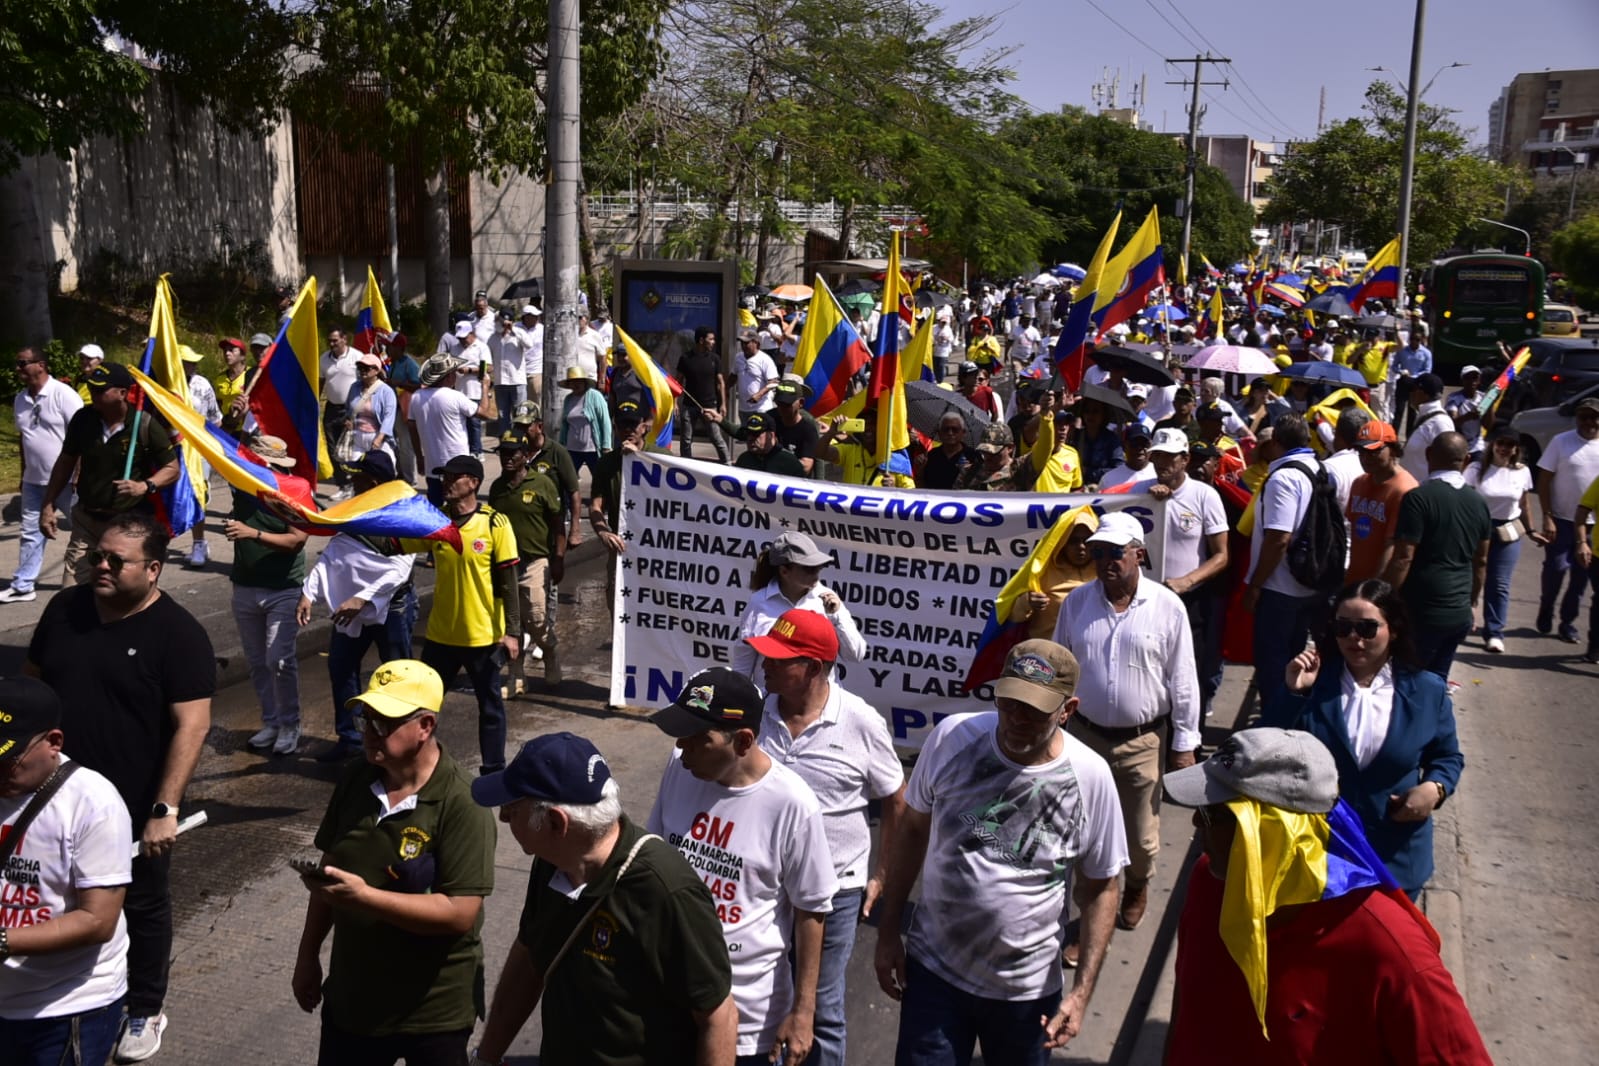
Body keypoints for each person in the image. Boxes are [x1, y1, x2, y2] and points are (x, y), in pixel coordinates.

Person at [1162, 728, 1491, 1065]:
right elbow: (1188, 999)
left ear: (1273, 831)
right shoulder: (1209, 879)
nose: (1195, 823)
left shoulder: (1390, 948)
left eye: (1211, 814)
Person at [873, 640, 1127, 1063]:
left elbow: (1101, 888)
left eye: (1035, 710)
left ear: (1068, 710)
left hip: (1025, 996)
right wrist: (887, 933)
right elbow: (913, 830)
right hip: (934, 977)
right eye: (1009, 703)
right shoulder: (952, 739)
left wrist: (1081, 994)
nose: (1016, 719)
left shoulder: (1090, 778)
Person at [26, 512, 214, 1062]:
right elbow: (31, 691)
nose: (99, 565)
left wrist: (165, 806)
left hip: (132, 803)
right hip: (50, 797)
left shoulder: (179, 636)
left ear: (154, 570)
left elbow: (193, 725)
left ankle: (144, 1006)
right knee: (51, 890)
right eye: (97, 556)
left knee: (142, 903)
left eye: (115, 560)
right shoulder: (64, 609)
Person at [469, 733, 737, 1066]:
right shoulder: (551, 862)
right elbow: (529, 956)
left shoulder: (665, 889)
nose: (503, 818)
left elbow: (718, 1017)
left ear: (555, 821)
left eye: (511, 808)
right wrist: (486, 1057)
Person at [291, 660, 497, 1066]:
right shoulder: (355, 780)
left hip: (433, 1015)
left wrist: (365, 898)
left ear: (426, 726)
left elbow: (459, 912)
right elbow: (328, 874)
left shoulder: (462, 803)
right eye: (365, 718)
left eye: (384, 722)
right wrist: (307, 956)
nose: (368, 732)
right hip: (354, 1005)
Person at [647, 667, 838, 1066]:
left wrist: (803, 1014)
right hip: (668, 1003)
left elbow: (811, 910)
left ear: (744, 741)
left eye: (700, 739)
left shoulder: (792, 804)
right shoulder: (676, 768)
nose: (682, 749)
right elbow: (653, 866)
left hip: (750, 1025)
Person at [746, 610, 906, 1066]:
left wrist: (882, 875)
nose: (766, 665)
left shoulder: (860, 722)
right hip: (764, 888)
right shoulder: (755, 715)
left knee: (821, 1006)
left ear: (814, 668)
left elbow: (897, 798)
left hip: (835, 891)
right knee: (767, 994)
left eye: (780, 659)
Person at [1261, 579, 1464, 897]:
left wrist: (1435, 788)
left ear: (1392, 630)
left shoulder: (1427, 690)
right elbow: (1267, 747)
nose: (1354, 638)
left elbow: (1447, 757)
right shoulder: (1313, 685)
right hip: (1319, 857)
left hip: (1395, 861)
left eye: (1367, 628)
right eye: (1344, 628)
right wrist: (1293, 694)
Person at [1051, 511, 1198, 939]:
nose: (1105, 561)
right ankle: (1089, 921)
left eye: (1115, 552)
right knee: (1086, 834)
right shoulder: (1077, 603)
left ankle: (1135, 887)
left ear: (1139, 554)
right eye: (1097, 552)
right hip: (1085, 738)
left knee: (1139, 838)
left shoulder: (1167, 606)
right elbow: (1060, 665)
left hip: (1142, 743)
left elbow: (1183, 678)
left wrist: (1185, 743)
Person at [0, 677, 132, 1066]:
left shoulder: (94, 804)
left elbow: (96, 921)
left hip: (65, 1005)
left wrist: (3, 940)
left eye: (9, 757)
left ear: (53, 742)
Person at [298, 450, 419, 762]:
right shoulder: (354, 510)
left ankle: (400, 741)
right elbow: (334, 552)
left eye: (359, 475)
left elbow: (399, 570)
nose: (352, 480)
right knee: (341, 667)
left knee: (396, 676)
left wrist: (362, 599)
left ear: (375, 481)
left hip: (390, 607)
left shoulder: (402, 514)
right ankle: (351, 739)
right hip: (351, 612)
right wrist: (309, 593)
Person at [407, 455, 521, 774]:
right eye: (444, 477)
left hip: (483, 636)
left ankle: (494, 770)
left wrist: (512, 631)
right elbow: (396, 542)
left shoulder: (494, 523)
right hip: (441, 636)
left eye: (453, 477)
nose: (446, 482)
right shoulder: (438, 521)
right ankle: (421, 764)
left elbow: (510, 583)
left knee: (490, 708)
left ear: (472, 483)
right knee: (423, 705)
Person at [39, 363, 181, 586]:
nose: (92, 394)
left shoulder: (143, 425)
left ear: (122, 393)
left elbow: (172, 469)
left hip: (126, 525)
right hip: (86, 520)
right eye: (91, 388)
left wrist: (145, 486)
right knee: (71, 591)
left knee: (125, 590)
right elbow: (65, 462)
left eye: (100, 390)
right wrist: (48, 505)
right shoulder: (83, 420)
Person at [223, 435, 311, 756]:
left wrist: (252, 534)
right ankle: (271, 722)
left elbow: (297, 539)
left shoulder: (296, 489)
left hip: (283, 588)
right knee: (258, 662)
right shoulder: (242, 486)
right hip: (245, 585)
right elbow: (215, 443)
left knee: (279, 660)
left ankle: (291, 724)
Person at [1384, 432, 1492, 681]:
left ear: (1428, 454)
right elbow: (1482, 560)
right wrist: (1471, 601)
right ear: (1466, 459)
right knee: (1435, 683)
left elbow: (1403, 558)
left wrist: (1383, 598)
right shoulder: (1478, 502)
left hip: (1422, 612)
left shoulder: (1418, 499)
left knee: (1405, 681)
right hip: (1458, 614)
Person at [1243, 414, 1327, 710]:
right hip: (1310, 584)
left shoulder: (1284, 477)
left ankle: (1274, 727)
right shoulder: (1319, 468)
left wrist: (1255, 585)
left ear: (1275, 443)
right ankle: (1290, 720)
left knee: (1273, 666)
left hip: (1280, 589)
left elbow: (1279, 539)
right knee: (1295, 663)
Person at [1147, 431, 1230, 719]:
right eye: (1157, 455)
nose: (1162, 462)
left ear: (1185, 459)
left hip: (1191, 602)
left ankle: (1189, 743)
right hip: (1147, 602)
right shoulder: (1141, 493)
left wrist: (1187, 581)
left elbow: (1221, 555)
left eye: (1169, 456)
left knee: (1190, 676)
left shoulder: (1204, 496)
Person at [488, 428, 566, 692]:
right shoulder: (497, 489)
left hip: (536, 561)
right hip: (505, 565)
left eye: (513, 453)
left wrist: (558, 559)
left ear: (524, 455)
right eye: (503, 453)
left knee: (536, 618)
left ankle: (550, 651)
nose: (507, 458)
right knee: (510, 623)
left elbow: (558, 526)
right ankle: (516, 676)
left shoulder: (542, 484)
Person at [730, 531, 867, 680]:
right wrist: (739, 698)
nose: (816, 572)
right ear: (784, 571)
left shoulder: (829, 602)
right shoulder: (759, 602)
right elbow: (743, 660)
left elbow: (855, 655)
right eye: (808, 568)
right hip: (769, 698)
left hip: (818, 701)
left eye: (819, 566)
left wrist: (836, 616)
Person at [3, 348, 81, 604]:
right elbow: (26, 439)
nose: (19, 368)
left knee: (86, 528)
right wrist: (25, 473)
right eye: (17, 363)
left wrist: (79, 474)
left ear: (41, 365)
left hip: (67, 481)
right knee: (30, 532)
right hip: (34, 481)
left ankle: (101, 575)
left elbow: (82, 436)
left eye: (23, 363)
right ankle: (23, 585)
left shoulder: (63, 395)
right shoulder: (20, 400)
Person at [1466, 427, 1541, 653]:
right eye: (1501, 443)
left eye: (1510, 445)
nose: (1504, 448)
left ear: (1516, 449)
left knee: (1499, 583)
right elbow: (1464, 498)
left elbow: (1524, 504)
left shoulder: (1522, 471)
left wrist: (1531, 530)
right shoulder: (1476, 468)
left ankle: (1494, 632)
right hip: (1477, 529)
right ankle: (1465, 617)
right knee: (1470, 578)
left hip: (1507, 531)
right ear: (1492, 444)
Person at [1534, 395, 1599, 642]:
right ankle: (1546, 605)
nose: (1589, 422)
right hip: (1561, 520)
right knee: (1556, 568)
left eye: (1594, 417)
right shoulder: (1561, 442)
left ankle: (1567, 622)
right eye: (1584, 417)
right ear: (1577, 418)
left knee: (1580, 578)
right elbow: (1544, 481)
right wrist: (1547, 516)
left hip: (1593, 525)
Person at [410, 355, 493, 504]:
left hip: (432, 466)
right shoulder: (455, 397)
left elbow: (412, 429)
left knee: (437, 513)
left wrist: (419, 457)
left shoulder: (416, 397)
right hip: (458, 467)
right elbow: (485, 413)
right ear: (448, 376)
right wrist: (485, 387)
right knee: (461, 508)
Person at [1345, 420, 1418, 584]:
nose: (1365, 458)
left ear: (1392, 449)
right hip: (1353, 581)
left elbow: (1395, 549)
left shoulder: (1405, 490)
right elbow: (1351, 531)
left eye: (1374, 451)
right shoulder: (1359, 483)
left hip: (1380, 588)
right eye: (1361, 452)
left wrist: (1375, 590)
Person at [677, 326, 732, 463]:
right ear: (701, 340)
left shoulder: (715, 359)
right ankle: (686, 465)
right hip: (689, 406)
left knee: (716, 438)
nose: (713, 342)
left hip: (710, 406)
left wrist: (723, 404)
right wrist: (674, 403)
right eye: (711, 339)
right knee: (686, 440)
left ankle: (728, 464)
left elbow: (720, 383)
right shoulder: (685, 358)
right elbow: (677, 382)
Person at [320, 328, 362, 493]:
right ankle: (343, 484)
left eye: (335, 340)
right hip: (331, 407)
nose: (332, 344)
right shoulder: (324, 359)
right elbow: (320, 382)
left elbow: (365, 381)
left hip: (351, 407)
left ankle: (356, 481)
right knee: (333, 448)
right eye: (330, 341)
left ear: (344, 339)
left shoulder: (357, 356)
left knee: (350, 447)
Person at [341, 351, 397, 461]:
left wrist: (379, 438)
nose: (362, 371)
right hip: (357, 436)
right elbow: (348, 408)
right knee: (357, 471)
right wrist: (348, 420)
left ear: (376, 370)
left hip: (377, 436)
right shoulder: (354, 387)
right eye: (360, 367)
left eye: (366, 368)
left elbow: (388, 418)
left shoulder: (386, 391)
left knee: (382, 470)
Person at [559, 365, 611, 479]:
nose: (576, 384)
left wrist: (606, 445)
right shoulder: (568, 399)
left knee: (599, 480)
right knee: (568, 479)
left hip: (592, 449)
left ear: (584, 382)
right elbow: (565, 425)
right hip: (572, 449)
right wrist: (561, 445)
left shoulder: (595, 396)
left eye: (579, 381)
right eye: (573, 382)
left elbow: (605, 421)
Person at [1399, 373, 1450, 482]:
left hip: (1423, 491)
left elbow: (1446, 464)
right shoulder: (1424, 415)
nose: (1410, 394)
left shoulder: (1440, 423)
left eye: (1412, 390)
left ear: (1422, 394)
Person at [770, 376, 820, 475]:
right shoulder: (770, 418)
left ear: (800, 403)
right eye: (779, 403)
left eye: (787, 404)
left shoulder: (808, 425)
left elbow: (809, 464)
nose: (782, 408)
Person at [488, 311, 526, 438]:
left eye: (500, 321)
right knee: (503, 415)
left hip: (517, 381)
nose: (497, 324)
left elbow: (529, 344)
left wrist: (513, 329)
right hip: (500, 382)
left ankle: (520, 441)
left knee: (519, 414)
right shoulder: (493, 338)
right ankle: (505, 442)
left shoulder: (518, 334)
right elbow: (488, 357)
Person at [1389, 327, 1433, 437]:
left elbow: (1427, 370)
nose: (1414, 341)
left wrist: (1415, 376)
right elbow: (1394, 366)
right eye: (1412, 339)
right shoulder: (1402, 351)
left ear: (1421, 340)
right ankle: (1393, 437)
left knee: (1412, 412)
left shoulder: (1426, 353)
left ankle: (1409, 437)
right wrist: (1400, 371)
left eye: (1417, 339)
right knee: (1399, 410)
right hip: (1403, 382)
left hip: (1417, 384)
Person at [734, 411, 806, 477]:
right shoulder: (744, 459)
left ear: (771, 435)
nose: (750, 438)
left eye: (755, 434)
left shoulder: (789, 463)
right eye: (748, 433)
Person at [917, 411, 977, 489]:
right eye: (946, 429)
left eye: (955, 429)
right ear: (939, 433)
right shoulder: (930, 456)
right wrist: (920, 471)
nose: (950, 433)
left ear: (963, 433)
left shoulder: (973, 456)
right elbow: (921, 488)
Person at [955, 421, 1023, 491]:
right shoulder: (968, 473)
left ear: (1010, 448)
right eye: (985, 451)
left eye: (994, 452)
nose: (988, 456)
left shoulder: (1021, 473)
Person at [735, 329, 779, 418]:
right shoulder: (738, 357)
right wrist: (726, 389)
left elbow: (774, 381)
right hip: (743, 408)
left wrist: (759, 394)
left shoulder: (765, 359)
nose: (743, 346)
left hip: (761, 409)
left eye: (746, 343)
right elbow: (733, 375)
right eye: (741, 343)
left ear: (756, 343)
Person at [213, 337, 253, 436]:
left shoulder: (252, 375)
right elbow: (217, 403)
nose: (227, 353)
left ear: (242, 356)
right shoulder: (220, 379)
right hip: (226, 428)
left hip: (247, 431)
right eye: (225, 350)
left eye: (231, 350)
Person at [1096, 424, 1155, 489]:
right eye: (1134, 444)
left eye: (1144, 444)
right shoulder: (1108, 479)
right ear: (1124, 446)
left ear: (1151, 446)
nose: (1139, 448)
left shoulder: (1159, 475)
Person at [1445, 365, 1484, 444]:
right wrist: (1468, 416)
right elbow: (1452, 421)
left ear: (1479, 380)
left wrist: (1490, 404)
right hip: (1458, 442)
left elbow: (1488, 425)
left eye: (1475, 377)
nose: (1471, 381)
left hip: (1477, 443)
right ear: (1462, 380)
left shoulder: (1483, 397)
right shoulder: (1453, 398)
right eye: (1467, 378)